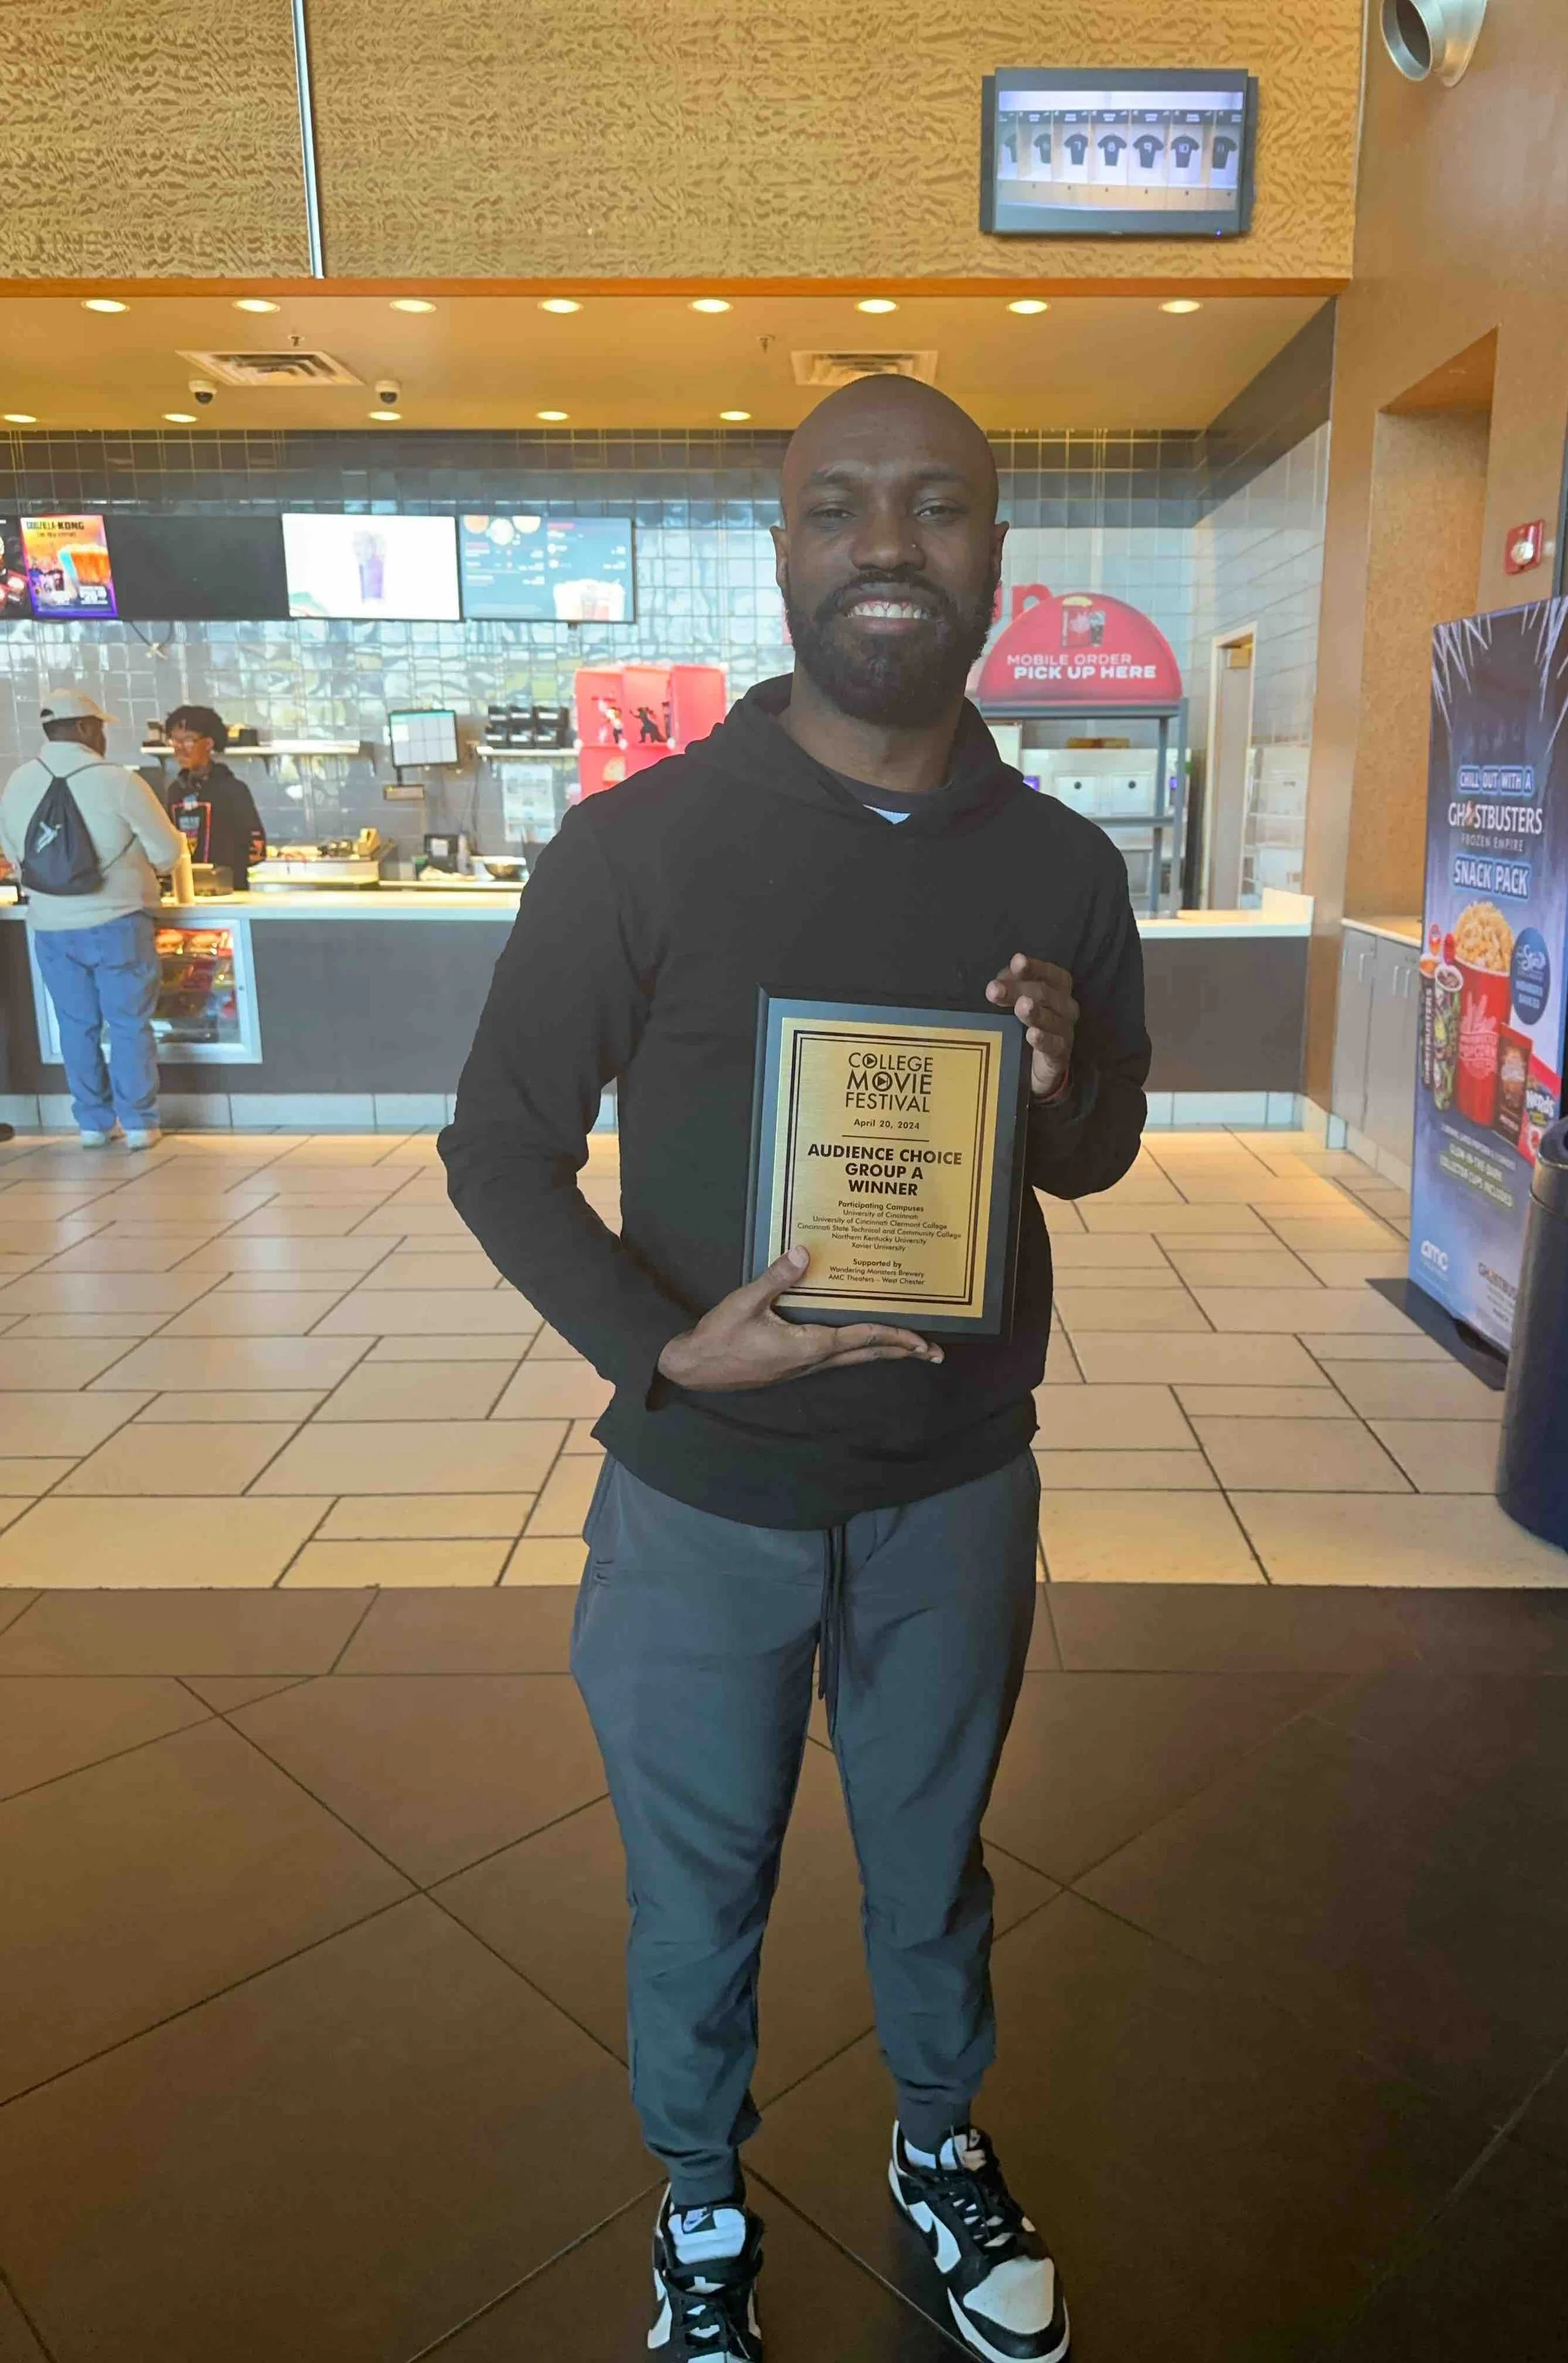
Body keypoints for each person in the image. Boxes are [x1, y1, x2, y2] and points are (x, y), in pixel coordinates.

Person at [441, 376, 1148, 2363]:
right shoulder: (633, 846)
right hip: (699, 1498)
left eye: (934, 507)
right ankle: (697, 2196)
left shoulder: (1064, 863)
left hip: (951, 1484)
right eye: (838, 506)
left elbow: (1091, 1154)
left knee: (933, 1865)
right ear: (782, 553)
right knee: (698, 1887)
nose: (886, 544)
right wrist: (661, 1349)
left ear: (994, 555)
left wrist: (1068, 1079)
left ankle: (937, 2145)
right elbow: (495, 1142)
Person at [0, 688, 188, 1149]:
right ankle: (140, 1123)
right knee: (127, 1024)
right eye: (100, 727)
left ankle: (93, 1124)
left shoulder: (18, 782)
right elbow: (167, 852)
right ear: (85, 728)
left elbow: (15, 857)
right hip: (118, 920)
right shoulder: (118, 780)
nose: (103, 736)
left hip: (49, 926)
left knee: (76, 1025)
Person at [159, 703, 266, 889]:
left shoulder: (233, 790)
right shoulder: (175, 791)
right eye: (175, 741)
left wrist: (223, 868)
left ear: (208, 743)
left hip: (229, 895)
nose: (180, 749)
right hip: (185, 895)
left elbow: (257, 849)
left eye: (189, 741)